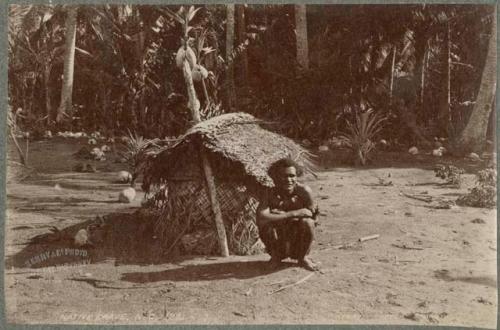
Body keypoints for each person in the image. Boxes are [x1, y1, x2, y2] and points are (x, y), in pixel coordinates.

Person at [256, 158, 319, 271]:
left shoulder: (304, 191)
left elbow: (312, 215)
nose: (289, 180)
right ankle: (275, 258)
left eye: (292, 176)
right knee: (264, 225)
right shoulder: (269, 193)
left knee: (308, 222)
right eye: (283, 176)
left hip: (298, 237)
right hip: (279, 237)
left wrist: (280, 216)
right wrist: (294, 213)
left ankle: (303, 258)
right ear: (275, 178)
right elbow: (262, 216)